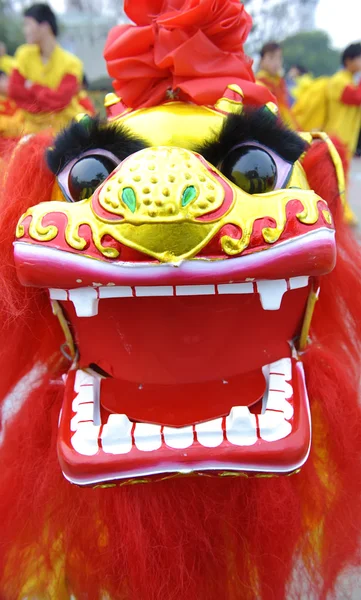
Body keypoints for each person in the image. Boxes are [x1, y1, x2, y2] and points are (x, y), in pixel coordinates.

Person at [4, 3, 88, 134]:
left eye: (27, 24)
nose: (24, 30)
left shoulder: (72, 63)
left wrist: (31, 86)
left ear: (44, 26)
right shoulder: (23, 55)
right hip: (30, 130)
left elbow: (60, 101)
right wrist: (46, 103)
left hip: (64, 131)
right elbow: (14, 91)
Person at [323, 42, 361, 160]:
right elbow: (356, 97)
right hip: (337, 138)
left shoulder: (350, 80)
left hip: (346, 139)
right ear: (348, 60)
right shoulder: (338, 80)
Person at [256, 41, 298, 128]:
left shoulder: (280, 82)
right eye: (271, 57)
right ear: (261, 60)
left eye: (279, 58)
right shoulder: (258, 82)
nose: (276, 62)